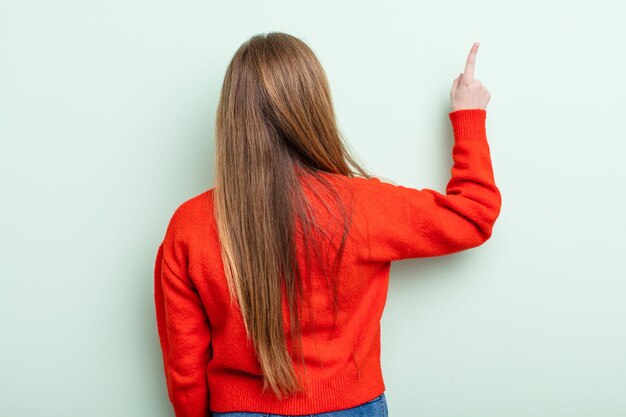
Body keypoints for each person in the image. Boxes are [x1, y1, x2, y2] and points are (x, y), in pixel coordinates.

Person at [154, 32, 501, 417]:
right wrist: (469, 115)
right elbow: (474, 214)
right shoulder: (360, 206)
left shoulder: (190, 225)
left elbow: (184, 367)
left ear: (232, 119)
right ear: (312, 109)